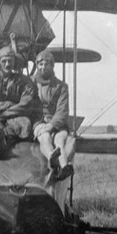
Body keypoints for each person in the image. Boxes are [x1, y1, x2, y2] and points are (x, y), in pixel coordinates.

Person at [0, 45, 41, 159]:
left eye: (10, 61)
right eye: (4, 61)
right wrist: (9, 104)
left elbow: (26, 105)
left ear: (14, 62)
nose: (7, 64)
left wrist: (2, 112)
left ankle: (1, 140)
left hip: (17, 117)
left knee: (24, 124)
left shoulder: (25, 81)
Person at [32, 49, 75, 181]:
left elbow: (62, 111)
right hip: (39, 122)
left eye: (47, 64)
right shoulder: (31, 84)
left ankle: (63, 166)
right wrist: (43, 125)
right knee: (44, 137)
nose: (43, 67)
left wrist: (51, 125)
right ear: (37, 65)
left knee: (60, 140)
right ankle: (52, 157)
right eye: (40, 64)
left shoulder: (62, 87)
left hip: (57, 122)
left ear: (52, 66)